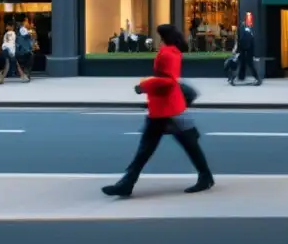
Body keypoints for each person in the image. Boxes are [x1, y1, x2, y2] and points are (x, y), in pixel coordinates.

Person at [102, 24, 214, 198]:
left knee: (173, 146)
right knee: (179, 145)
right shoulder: (172, 51)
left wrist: (144, 86)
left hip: (167, 109)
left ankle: (127, 183)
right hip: (166, 108)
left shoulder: (168, 53)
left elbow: (168, 81)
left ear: (162, 36)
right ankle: (127, 183)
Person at [233, 12, 261, 86]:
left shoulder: (243, 29)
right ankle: (241, 77)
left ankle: (256, 78)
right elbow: (249, 41)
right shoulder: (247, 29)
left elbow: (241, 40)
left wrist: (237, 50)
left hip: (245, 50)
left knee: (246, 64)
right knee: (244, 63)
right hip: (247, 50)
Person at [16, 17, 34, 82]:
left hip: (22, 51)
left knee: (30, 57)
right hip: (22, 52)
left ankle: (26, 74)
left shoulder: (20, 31)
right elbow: (26, 36)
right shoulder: (22, 30)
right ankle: (26, 74)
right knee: (29, 57)